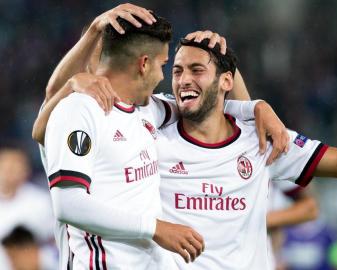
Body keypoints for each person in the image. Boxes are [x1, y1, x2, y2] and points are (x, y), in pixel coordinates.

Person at [35, 4, 289, 269]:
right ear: (144, 64)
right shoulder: (79, 110)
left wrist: (256, 107)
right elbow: (68, 204)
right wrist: (156, 229)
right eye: (165, 65)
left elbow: (208, 106)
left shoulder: (149, 110)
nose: (164, 77)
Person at [154, 38, 337, 269]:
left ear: (227, 81)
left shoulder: (262, 140)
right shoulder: (153, 134)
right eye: (177, 71)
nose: (184, 80)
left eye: (196, 70)